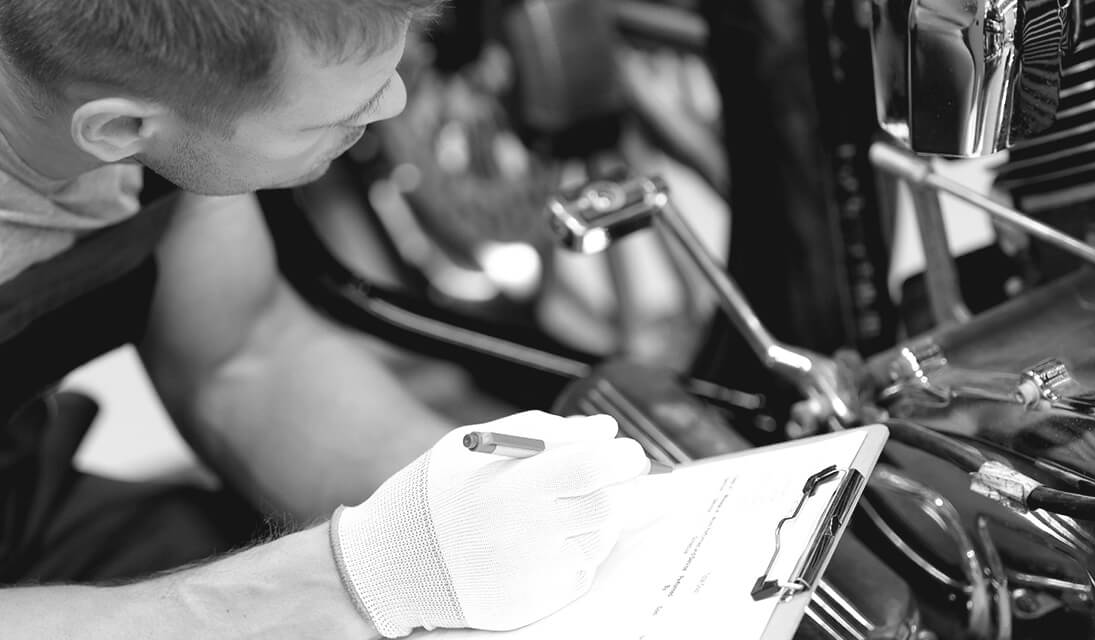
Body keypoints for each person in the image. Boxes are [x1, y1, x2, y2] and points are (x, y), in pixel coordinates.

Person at [0, 0, 653, 637]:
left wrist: (470, 501)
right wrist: (354, 580)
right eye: (326, 122)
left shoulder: (159, 120)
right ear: (120, 129)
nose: (393, 102)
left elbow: (237, 353)